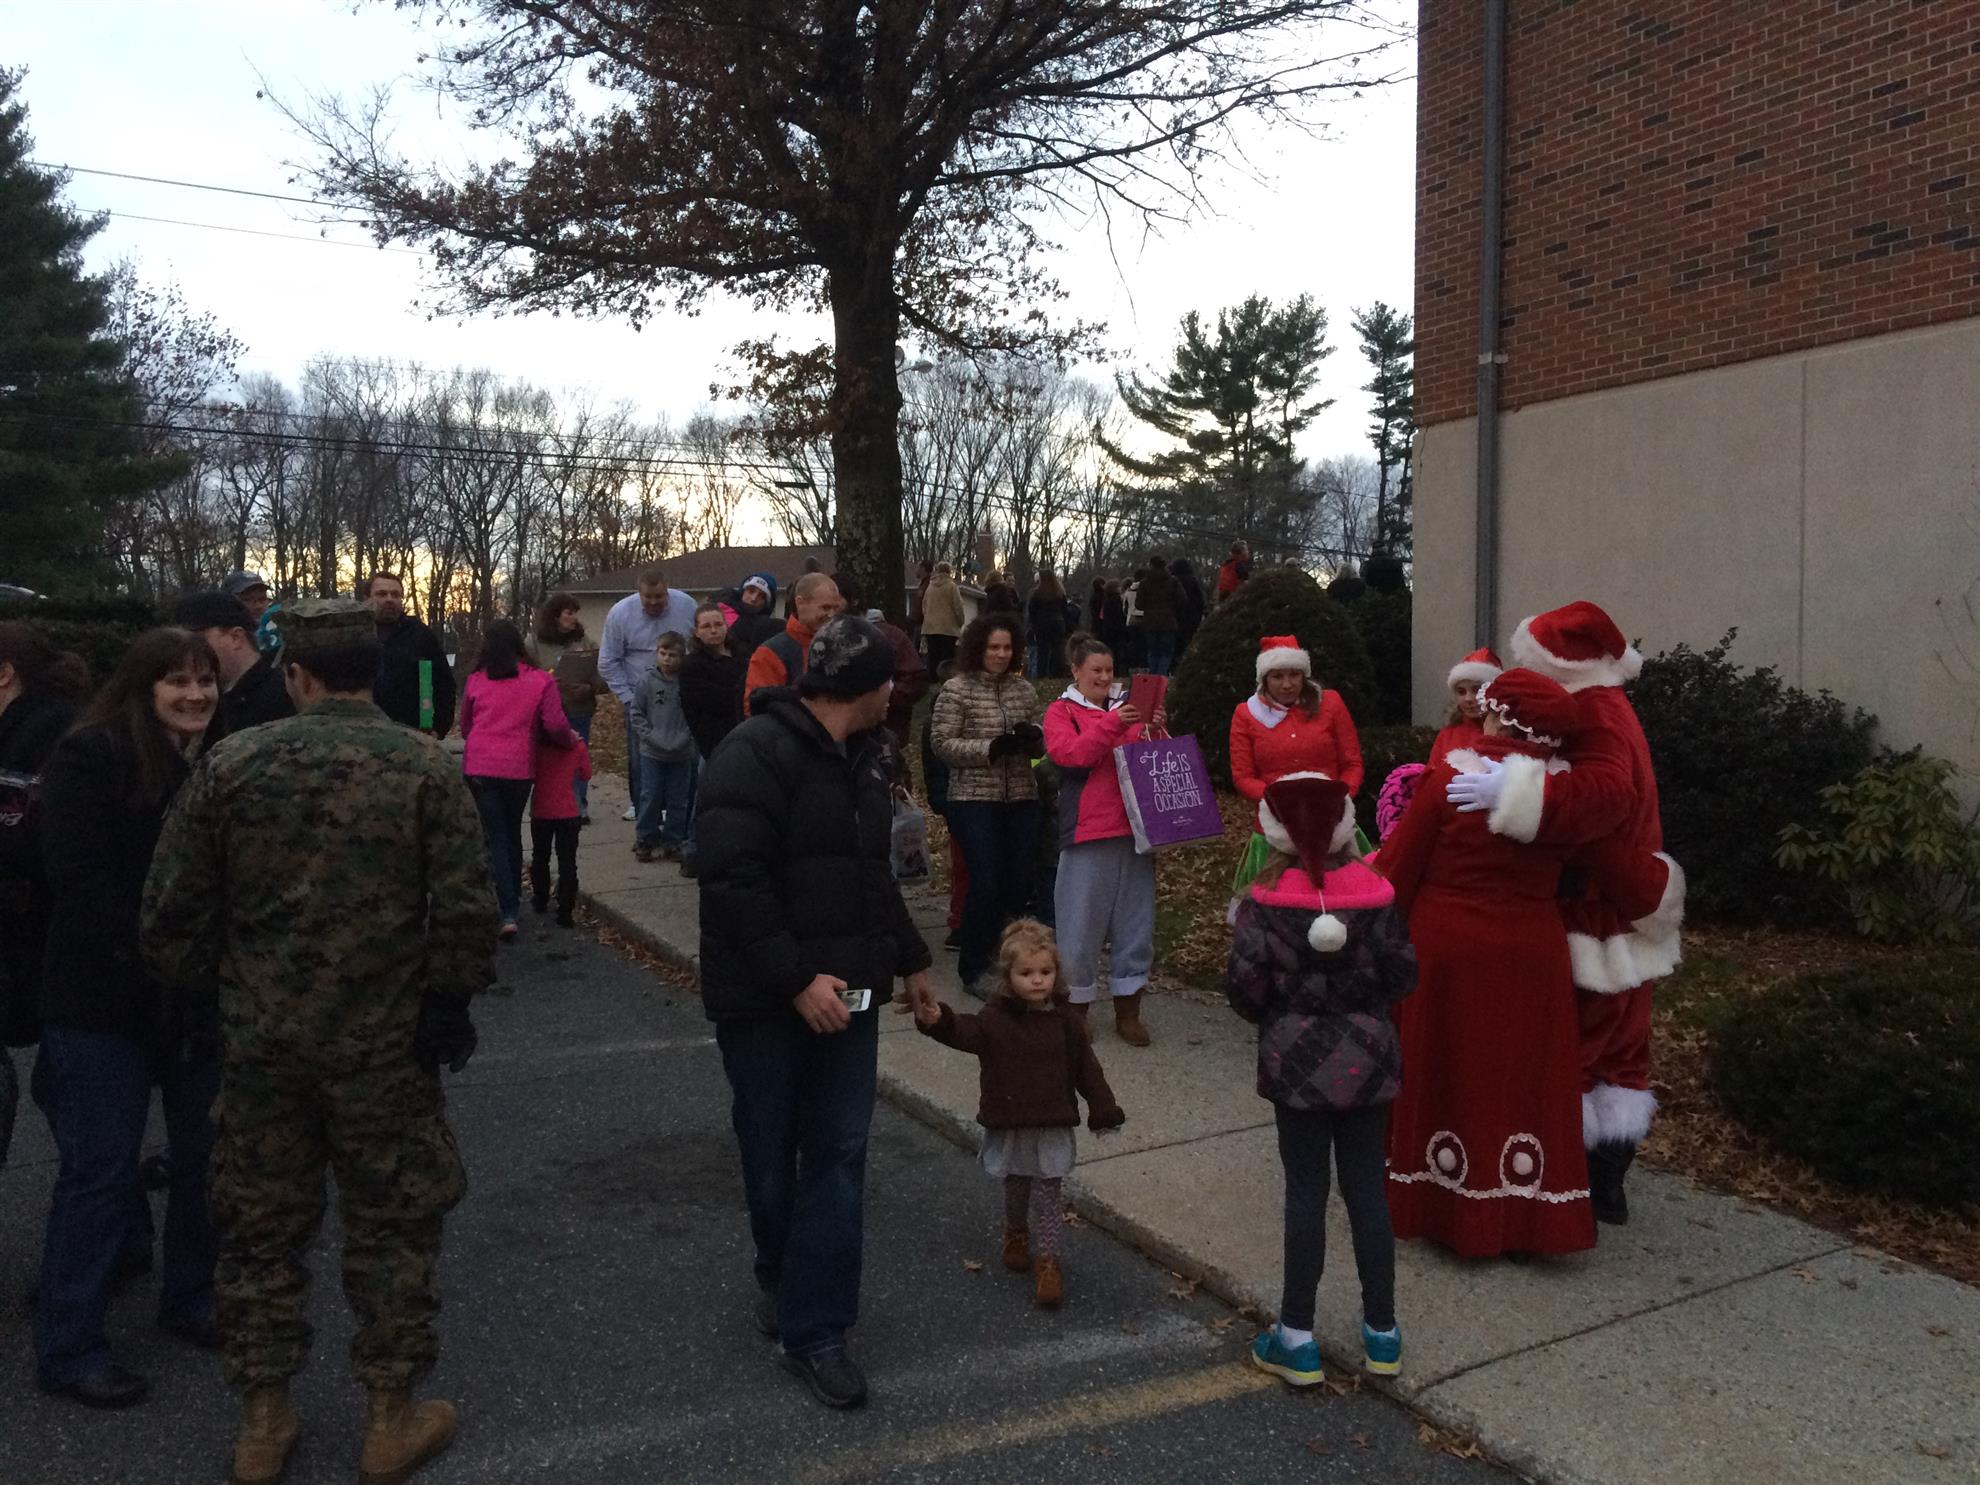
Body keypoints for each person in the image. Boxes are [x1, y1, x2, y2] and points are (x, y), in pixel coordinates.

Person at [141, 597, 493, 1485]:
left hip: (262, 1046)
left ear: (295, 673)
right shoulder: (422, 767)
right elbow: (466, 908)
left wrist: (201, 995)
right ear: (373, 672)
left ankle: (263, 1421)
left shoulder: (232, 764)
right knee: (393, 1227)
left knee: (259, 1231)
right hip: (386, 1050)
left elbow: (171, 910)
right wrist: (448, 1003)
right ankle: (389, 1416)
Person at [697, 614, 937, 1409]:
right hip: (765, 1004)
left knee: (837, 1155)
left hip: (853, 997)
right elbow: (733, 882)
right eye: (889, 682)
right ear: (863, 686)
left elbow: (874, 875)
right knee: (770, 1157)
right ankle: (780, 1272)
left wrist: (912, 960)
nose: (894, 695)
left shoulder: (868, 758)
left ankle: (817, 1330)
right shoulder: (751, 754)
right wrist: (797, 981)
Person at [34, 628, 222, 1410]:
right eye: (178, 681)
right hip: (100, 1002)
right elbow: (80, 881)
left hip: (190, 1000)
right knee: (101, 1172)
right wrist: (163, 953)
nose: (196, 694)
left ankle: (193, 1296)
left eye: (205, 680)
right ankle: (69, 1343)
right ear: (143, 687)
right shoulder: (90, 756)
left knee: (203, 1157)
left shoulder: (209, 760)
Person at [1450, 601, 1680, 1224]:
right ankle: (1604, 1186)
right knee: (1619, 1050)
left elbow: (1604, 796)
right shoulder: (1607, 704)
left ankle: (1567, 1189)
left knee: (1575, 1046)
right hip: (1625, 899)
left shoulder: (1595, 713)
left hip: (1595, 907)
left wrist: (1518, 793)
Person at [1379, 668, 1597, 1259]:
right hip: (1532, 949)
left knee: (1448, 1069)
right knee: (1523, 1076)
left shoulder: (1452, 776)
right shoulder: (1568, 794)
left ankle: (1440, 1203)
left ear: (1501, 716)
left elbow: (1400, 868)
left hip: (1448, 944)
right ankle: (1525, 1215)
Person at [1227, 772, 1415, 1385]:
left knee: (1306, 1191)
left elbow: (1245, 990)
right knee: (1367, 1190)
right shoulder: (1378, 895)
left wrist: (1286, 1011)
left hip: (1297, 1065)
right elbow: (1402, 975)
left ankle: (1297, 1336)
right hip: (1368, 1061)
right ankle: (1382, 1333)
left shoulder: (1261, 903)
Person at [913, 920, 1124, 1309]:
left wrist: (1103, 1106)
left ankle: (1049, 1261)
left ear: (1056, 973)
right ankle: (1015, 1231)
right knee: (1016, 1186)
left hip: (1052, 1123)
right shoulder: (995, 1019)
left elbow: (1087, 1069)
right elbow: (964, 1032)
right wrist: (938, 1019)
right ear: (1008, 977)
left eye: (1045, 971)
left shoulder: (1067, 1022)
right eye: (1026, 973)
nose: (1038, 980)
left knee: (1049, 1193)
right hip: (1012, 1120)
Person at [1043, 635, 1162, 1048]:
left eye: (1109, 670)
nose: (1104, 677)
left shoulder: (1126, 710)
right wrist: (1115, 723)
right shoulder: (1061, 711)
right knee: (1079, 926)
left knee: (1136, 925)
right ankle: (1074, 1012)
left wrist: (1154, 728)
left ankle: (1129, 1009)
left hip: (1136, 831)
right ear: (1076, 670)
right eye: (1095, 670)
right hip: (1087, 832)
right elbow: (1071, 755)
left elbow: (1152, 760)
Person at [0, 624, 88, 1171]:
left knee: (67, 1092)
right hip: (30, 940)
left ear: (4, 673)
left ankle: (108, 1212)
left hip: (60, 942)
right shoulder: (16, 729)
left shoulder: (55, 734)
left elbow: (44, 842)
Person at [931, 613, 1044, 992]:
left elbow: (1043, 747)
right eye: (993, 647)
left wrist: (1034, 741)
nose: (1000, 654)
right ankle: (974, 967)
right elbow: (942, 744)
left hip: (1021, 795)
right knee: (986, 880)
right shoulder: (957, 689)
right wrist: (990, 748)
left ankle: (1007, 961)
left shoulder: (1023, 691)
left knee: (1018, 883)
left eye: (1007, 647)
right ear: (978, 648)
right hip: (974, 798)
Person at [459, 619, 580, 939]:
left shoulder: (476, 681)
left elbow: (466, 726)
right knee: (511, 832)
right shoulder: (540, 681)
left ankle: (505, 907)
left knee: (493, 835)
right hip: (518, 767)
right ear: (519, 646)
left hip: (480, 767)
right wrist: (571, 740)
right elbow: (555, 725)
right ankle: (511, 902)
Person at [1228, 635, 1365, 897]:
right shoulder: (1246, 714)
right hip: (1275, 831)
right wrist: (1280, 804)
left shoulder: (1331, 704)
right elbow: (1243, 776)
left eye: (1294, 675)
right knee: (1277, 907)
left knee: (1342, 905)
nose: (1287, 684)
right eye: (1277, 676)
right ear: (1264, 679)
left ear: (1304, 675)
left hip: (1334, 827)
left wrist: (1338, 799)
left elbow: (1352, 763)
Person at [598, 566, 700, 822]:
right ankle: (641, 805)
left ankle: (679, 808)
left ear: (668, 591)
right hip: (639, 695)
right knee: (641, 754)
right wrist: (628, 698)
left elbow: (696, 648)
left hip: (679, 694)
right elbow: (608, 661)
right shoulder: (621, 613)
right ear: (639, 593)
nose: (654, 602)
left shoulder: (687, 606)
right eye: (648, 597)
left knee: (684, 750)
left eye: (659, 596)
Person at [166, 590, 295, 743]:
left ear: (236, 637)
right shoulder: (212, 700)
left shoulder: (284, 696)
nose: (186, 651)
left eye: (197, 640)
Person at [528, 593, 609, 824]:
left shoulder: (585, 642)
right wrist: (546, 682)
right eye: (569, 613)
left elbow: (603, 674)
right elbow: (524, 675)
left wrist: (590, 687)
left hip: (579, 708)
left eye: (575, 613)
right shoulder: (533, 643)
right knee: (547, 760)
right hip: (546, 711)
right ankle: (547, 805)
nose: (574, 618)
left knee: (576, 757)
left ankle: (577, 805)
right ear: (555, 615)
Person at [834, 572, 929, 749]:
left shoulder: (889, 636)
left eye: (835, 598)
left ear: (854, 600)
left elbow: (915, 679)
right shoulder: (819, 640)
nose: (829, 607)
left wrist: (879, 701)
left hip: (881, 737)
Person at [630, 632, 698, 867]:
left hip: (681, 751)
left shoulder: (687, 683)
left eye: (673, 655)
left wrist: (686, 738)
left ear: (682, 657)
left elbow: (694, 714)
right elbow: (636, 713)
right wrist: (650, 736)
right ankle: (646, 838)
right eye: (663, 654)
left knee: (679, 799)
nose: (668, 659)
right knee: (650, 795)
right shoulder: (646, 681)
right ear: (657, 654)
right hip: (652, 751)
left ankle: (673, 840)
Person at [363, 573, 456, 738]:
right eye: (382, 594)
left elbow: (444, 684)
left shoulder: (421, 635)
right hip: (363, 733)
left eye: (395, 595)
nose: (389, 599)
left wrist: (438, 728)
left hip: (411, 735)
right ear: (367, 598)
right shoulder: (355, 634)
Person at [744, 572, 844, 714]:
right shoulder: (770, 653)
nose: (832, 615)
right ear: (800, 603)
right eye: (825, 608)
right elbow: (756, 710)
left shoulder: (842, 645)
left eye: (836, 609)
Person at [530, 730, 592, 928]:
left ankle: (540, 898)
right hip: (569, 810)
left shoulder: (537, 746)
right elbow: (586, 773)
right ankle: (565, 909)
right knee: (567, 861)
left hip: (542, 808)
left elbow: (530, 773)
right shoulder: (577, 745)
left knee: (540, 856)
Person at [681, 602, 747, 764]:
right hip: (714, 743)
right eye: (706, 626)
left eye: (718, 624)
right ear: (696, 632)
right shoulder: (691, 666)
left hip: (746, 737)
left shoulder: (743, 656)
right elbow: (715, 701)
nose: (713, 630)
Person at [1430, 647, 1501, 768]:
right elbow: (1431, 774)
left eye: (1477, 690)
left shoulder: (1508, 733)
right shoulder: (1448, 734)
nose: (1468, 699)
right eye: (1461, 692)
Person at [710, 572, 785, 659]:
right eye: (751, 591)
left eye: (762, 596)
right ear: (742, 591)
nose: (754, 598)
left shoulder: (767, 628)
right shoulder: (721, 610)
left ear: (766, 604)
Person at [1135, 556, 1181, 676]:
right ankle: (1162, 677)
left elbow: (1138, 604)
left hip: (1150, 622)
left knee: (1153, 651)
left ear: (1150, 565)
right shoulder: (1173, 581)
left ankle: (1153, 677)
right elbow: (1182, 600)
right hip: (1168, 621)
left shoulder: (1144, 583)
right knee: (1166, 652)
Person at [921, 562, 966, 672]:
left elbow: (924, 607)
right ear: (949, 572)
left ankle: (933, 678)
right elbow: (958, 607)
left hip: (930, 629)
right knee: (947, 659)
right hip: (948, 629)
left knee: (933, 657)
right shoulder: (952, 587)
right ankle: (945, 678)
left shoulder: (930, 588)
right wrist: (960, 622)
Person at [1025, 573, 1069, 680]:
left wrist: (1033, 626)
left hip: (1042, 624)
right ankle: (1056, 673)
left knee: (1042, 650)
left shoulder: (1037, 594)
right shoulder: (1060, 593)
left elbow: (1032, 611)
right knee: (1057, 650)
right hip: (1058, 623)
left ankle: (1042, 674)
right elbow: (1065, 610)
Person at [1170, 557, 1208, 657]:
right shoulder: (1193, 580)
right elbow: (1201, 599)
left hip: (1176, 616)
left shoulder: (1173, 581)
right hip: (1192, 615)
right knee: (1190, 640)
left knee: (1177, 642)